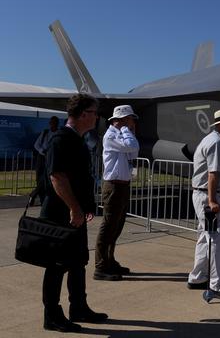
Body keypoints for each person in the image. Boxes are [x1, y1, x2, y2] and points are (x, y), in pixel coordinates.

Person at [40, 94, 107, 332]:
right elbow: (57, 177)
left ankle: (78, 307)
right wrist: (75, 208)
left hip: (75, 215)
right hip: (61, 214)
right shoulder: (61, 139)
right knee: (57, 265)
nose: (97, 117)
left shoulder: (78, 139)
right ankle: (52, 316)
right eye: (94, 112)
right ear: (82, 114)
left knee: (78, 262)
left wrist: (84, 208)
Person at [187, 108, 220, 301]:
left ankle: (197, 277)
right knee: (216, 240)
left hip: (203, 194)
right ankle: (217, 285)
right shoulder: (217, 143)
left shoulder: (212, 140)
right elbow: (213, 174)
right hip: (209, 196)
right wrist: (212, 200)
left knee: (205, 236)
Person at [94, 105, 140, 281]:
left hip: (122, 185)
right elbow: (131, 145)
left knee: (117, 226)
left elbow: (134, 150)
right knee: (108, 226)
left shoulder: (121, 134)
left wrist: (127, 131)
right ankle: (100, 266)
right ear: (119, 120)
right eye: (129, 119)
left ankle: (109, 260)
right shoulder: (111, 135)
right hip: (113, 186)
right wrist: (127, 130)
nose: (132, 122)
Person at [30, 116, 59, 206]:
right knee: (40, 179)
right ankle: (41, 198)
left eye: (55, 122)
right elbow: (36, 145)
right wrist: (43, 151)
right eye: (51, 122)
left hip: (51, 158)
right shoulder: (45, 133)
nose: (52, 124)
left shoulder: (58, 134)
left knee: (46, 179)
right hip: (42, 158)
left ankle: (34, 195)